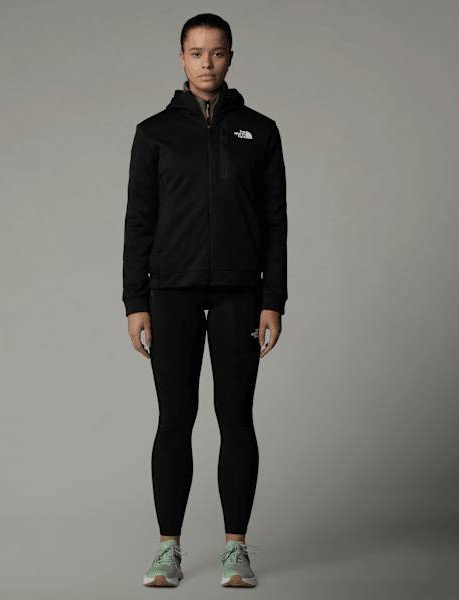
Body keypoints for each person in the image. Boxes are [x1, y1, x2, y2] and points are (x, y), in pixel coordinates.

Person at [122, 13, 287, 588]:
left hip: (241, 291)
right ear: (182, 58)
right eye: (197, 53)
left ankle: (236, 549)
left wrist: (273, 299)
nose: (207, 63)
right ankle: (167, 549)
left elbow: (276, 222)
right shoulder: (154, 133)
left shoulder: (260, 131)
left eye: (217, 53)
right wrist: (134, 301)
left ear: (230, 56)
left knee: (235, 418)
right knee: (175, 418)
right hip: (170, 292)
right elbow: (138, 222)